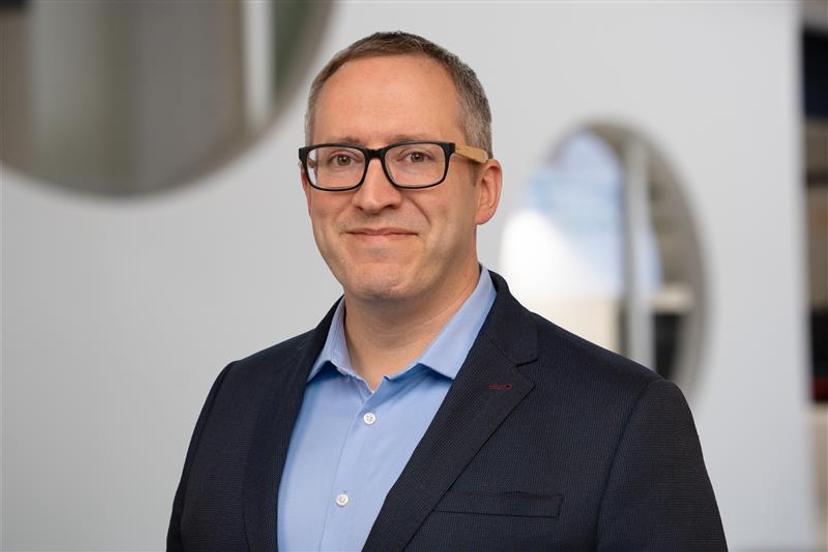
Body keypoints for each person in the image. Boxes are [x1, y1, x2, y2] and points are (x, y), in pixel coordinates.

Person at [167, 31, 726, 551]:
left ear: (484, 190)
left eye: (415, 157)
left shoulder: (622, 418)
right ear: (308, 188)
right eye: (341, 159)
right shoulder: (239, 397)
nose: (373, 196)